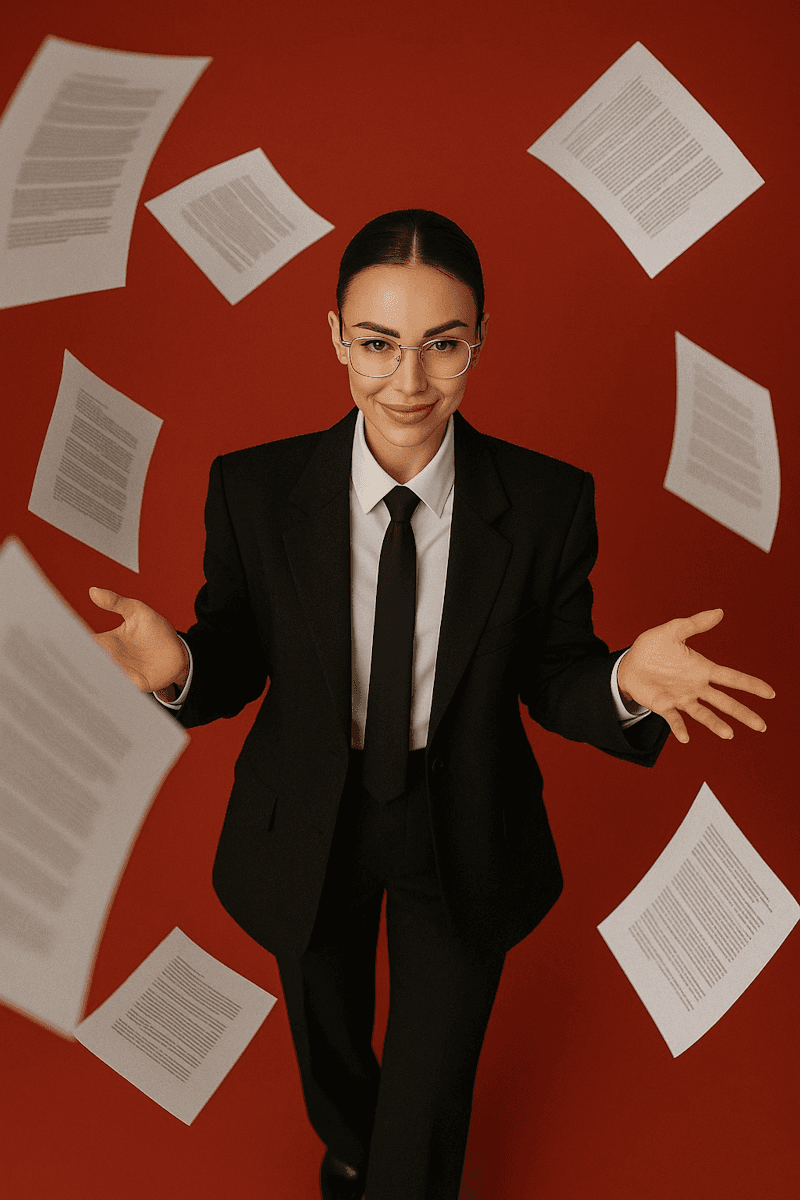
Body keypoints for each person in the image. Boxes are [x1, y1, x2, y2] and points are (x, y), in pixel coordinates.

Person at [90, 210, 774, 1200]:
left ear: (477, 340)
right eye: (377, 345)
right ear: (333, 336)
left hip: (459, 822)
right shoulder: (252, 488)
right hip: (306, 818)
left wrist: (622, 680)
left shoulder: (545, 503)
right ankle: (355, 1145)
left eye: (441, 346)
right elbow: (235, 653)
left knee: (429, 1087)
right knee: (330, 1055)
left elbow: (553, 673)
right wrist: (177, 666)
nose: (408, 384)